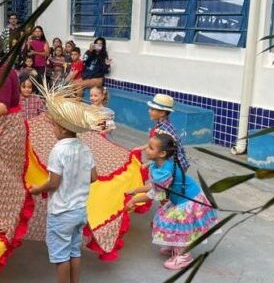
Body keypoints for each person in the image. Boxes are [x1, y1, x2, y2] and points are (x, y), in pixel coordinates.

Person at [29, 80, 99, 283]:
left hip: (61, 212)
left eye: (54, 126)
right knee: (74, 252)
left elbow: (54, 183)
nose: (53, 129)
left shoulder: (58, 150)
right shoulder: (84, 148)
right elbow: (93, 177)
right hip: (79, 211)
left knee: (61, 257)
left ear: (63, 129)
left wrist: (36, 190)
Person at [126, 133, 217, 270]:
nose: (146, 150)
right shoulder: (159, 165)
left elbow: (154, 193)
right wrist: (136, 190)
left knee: (178, 226)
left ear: (162, 153)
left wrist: (134, 200)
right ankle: (176, 247)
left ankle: (184, 256)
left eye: (150, 148)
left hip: (189, 200)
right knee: (171, 221)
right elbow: (154, 185)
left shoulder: (165, 172)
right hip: (180, 198)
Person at [144, 94, 190, 171]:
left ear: (162, 113)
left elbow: (161, 152)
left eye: (152, 109)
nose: (149, 111)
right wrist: (140, 148)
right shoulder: (163, 124)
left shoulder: (164, 130)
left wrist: (147, 164)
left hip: (174, 166)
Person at [81, 37, 112, 102]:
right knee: (73, 85)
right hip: (87, 77)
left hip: (97, 78)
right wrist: (89, 51)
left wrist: (107, 65)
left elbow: (106, 71)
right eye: (97, 44)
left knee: (78, 86)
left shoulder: (104, 55)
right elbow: (83, 61)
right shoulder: (89, 52)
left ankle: (79, 105)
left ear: (103, 46)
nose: (98, 46)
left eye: (100, 44)